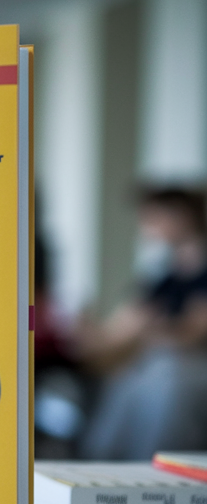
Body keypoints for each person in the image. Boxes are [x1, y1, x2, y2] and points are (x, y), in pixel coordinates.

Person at [79, 187, 207, 459]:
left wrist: (146, 330)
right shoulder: (165, 276)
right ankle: (102, 462)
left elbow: (192, 335)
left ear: (181, 217)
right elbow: (132, 318)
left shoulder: (200, 273)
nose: (146, 227)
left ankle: (149, 464)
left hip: (187, 366)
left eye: (153, 218)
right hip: (158, 362)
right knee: (125, 376)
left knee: (163, 373)